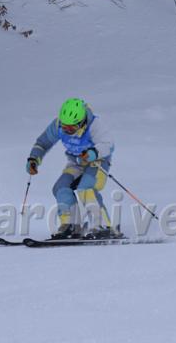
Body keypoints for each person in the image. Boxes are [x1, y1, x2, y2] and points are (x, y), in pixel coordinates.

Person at [26, 98, 120, 240]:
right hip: (76, 163)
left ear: (81, 122)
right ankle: (70, 225)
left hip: (97, 162)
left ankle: (102, 226)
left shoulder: (94, 125)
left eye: (71, 127)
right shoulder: (57, 125)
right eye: (65, 126)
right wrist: (34, 159)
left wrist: (92, 153)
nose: (67, 130)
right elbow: (43, 143)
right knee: (60, 188)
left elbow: (108, 144)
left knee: (85, 188)